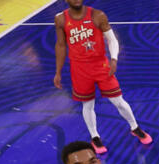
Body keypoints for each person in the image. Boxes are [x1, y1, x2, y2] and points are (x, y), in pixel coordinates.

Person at [53, 0, 151, 154]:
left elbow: (112, 39)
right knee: (87, 104)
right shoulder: (60, 19)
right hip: (79, 69)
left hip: (101, 65)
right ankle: (95, 137)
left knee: (118, 100)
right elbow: (60, 45)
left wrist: (114, 59)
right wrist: (58, 71)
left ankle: (135, 127)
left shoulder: (97, 15)